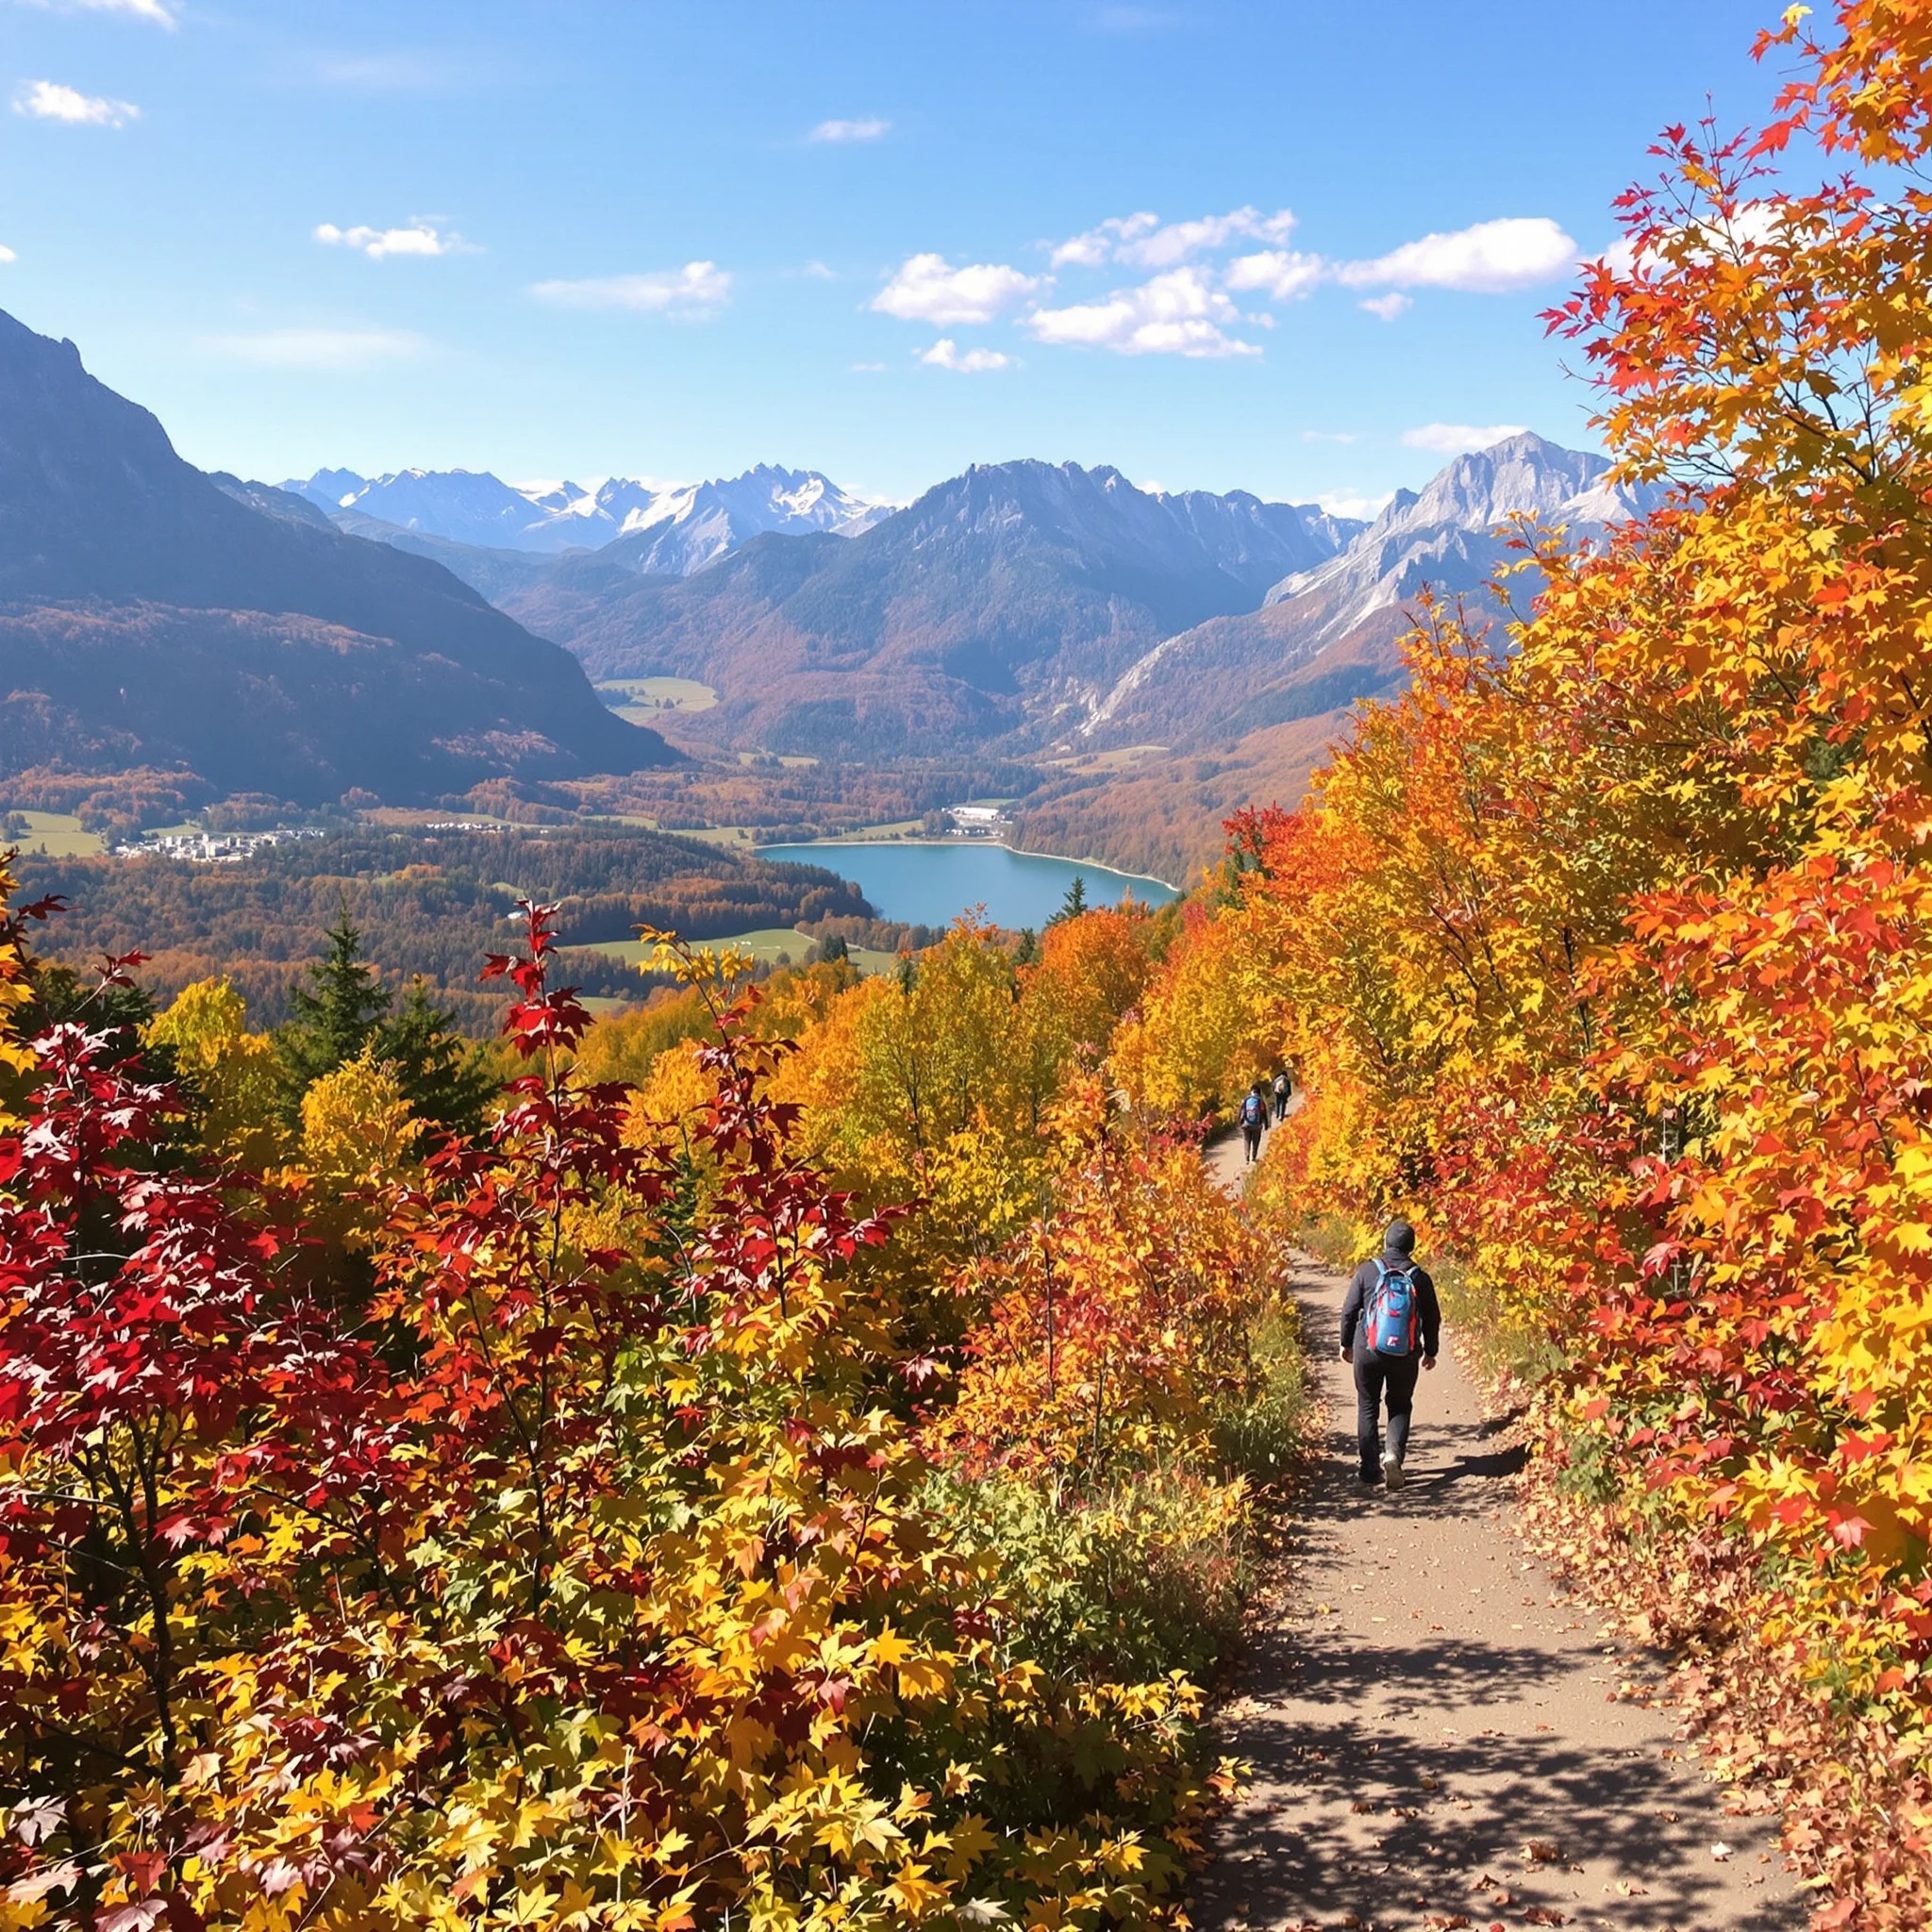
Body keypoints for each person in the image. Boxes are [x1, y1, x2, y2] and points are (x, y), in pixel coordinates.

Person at [1339, 1218, 1441, 1488]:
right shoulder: (1420, 1277)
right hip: (1405, 1354)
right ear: (1411, 1247)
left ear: (1385, 1243)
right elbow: (1432, 1318)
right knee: (1399, 1404)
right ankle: (1393, 1454)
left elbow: (1349, 1311)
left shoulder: (1367, 1271)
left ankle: (1369, 1470)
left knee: (1368, 1404)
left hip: (1368, 1349)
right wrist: (1430, 1351)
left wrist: (1346, 1343)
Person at [1238, 1082, 1268, 1163]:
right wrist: (1266, 1124)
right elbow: (1264, 1112)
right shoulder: (1260, 1100)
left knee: (1247, 1140)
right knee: (1256, 1141)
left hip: (1246, 1124)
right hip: (1257, 1125)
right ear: (1259, 1092)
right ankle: (1253, 1157)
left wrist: (1240, 1122)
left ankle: (1247, 1158)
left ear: (1251, 1091)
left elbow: (1241, 1111)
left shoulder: (1246, 1099)